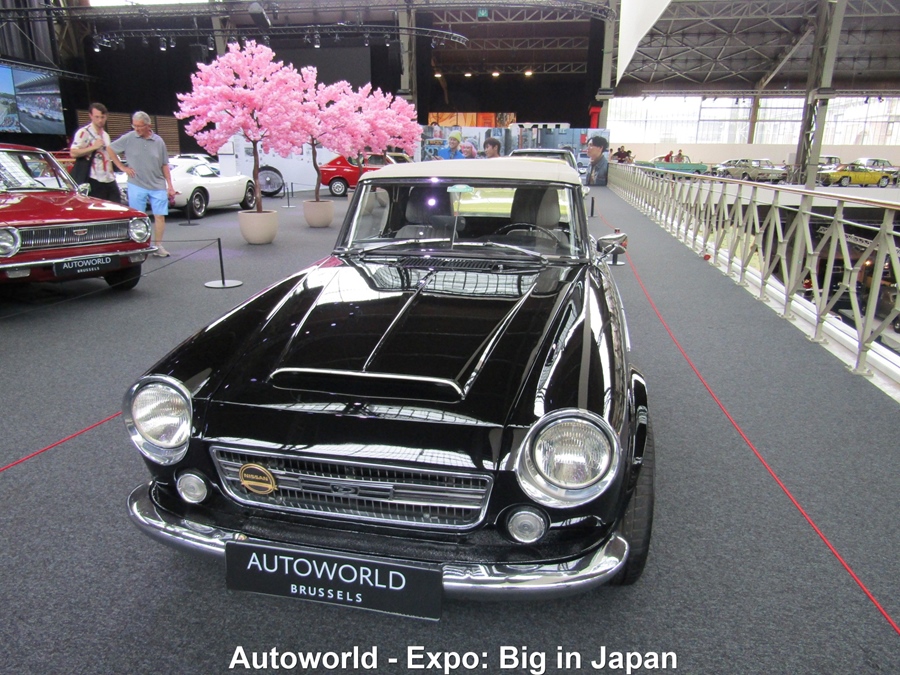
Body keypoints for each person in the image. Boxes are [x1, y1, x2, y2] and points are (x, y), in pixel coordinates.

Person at [108, 111, 176, 257]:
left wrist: (170, 185)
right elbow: (110, 149)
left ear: (148, 125)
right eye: (135, 126)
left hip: (157, 183)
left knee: (160, 216)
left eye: (140, 126)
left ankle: (158, 246)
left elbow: (164, 164)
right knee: (138, 217)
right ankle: (139, 246)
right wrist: (122, 167)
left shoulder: (158, 141)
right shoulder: (129, 138)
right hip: (136, 183)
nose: (137, 129)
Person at [69, 102, 120, 203]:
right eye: (97, 117)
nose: (100, 120)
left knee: (116, 205)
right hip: (94, 178)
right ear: (91, 116)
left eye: (102, 117)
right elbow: (73, 152)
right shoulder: (84, 132)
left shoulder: (105, 135)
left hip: (109, 178)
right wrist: (94, 147)